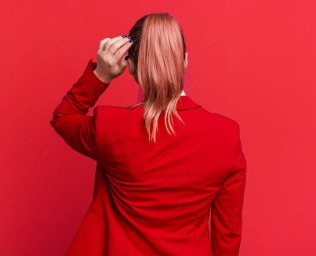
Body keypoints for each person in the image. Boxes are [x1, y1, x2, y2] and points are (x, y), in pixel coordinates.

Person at [50, 12, 246, 256]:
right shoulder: (225, 134)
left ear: (130, 65)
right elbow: (227, 234)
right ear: (184, 60)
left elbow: (64, 118)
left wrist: (100, 75)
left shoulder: (111, 126)